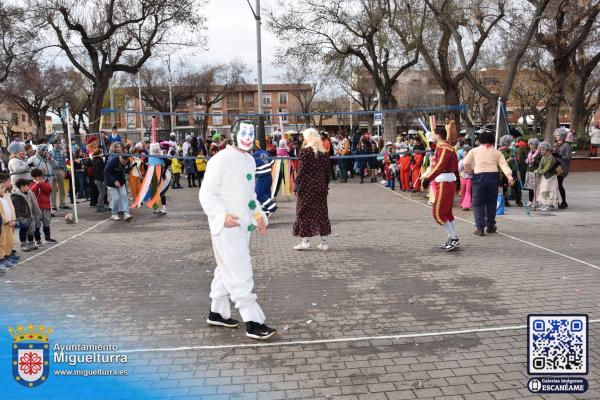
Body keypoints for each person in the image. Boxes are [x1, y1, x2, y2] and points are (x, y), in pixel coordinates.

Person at [199, 119, 276, 340]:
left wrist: (258, 214)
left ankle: (217, 312)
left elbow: (249, 196)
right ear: (234, 133)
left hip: (243, 227)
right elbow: (206, 194)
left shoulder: (249, 160)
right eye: (244, 132)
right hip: (226, 228)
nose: (248, 137)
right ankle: (253, 320)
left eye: (251, 133)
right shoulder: (219, 160)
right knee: (240, 270)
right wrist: (221, 216)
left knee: (227, 267)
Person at [462, 131, 514, 236]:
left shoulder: (474, 151)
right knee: (491, 203)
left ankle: (480, 228)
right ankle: (490, 225)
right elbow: (504, 165)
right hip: (493, 178)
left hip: (478, 177)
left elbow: (466, 163)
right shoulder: (497, 152)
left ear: (480, 140)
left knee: (478, 203)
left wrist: (469, 170)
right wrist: (509, 177)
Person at [292, 128, 331, 251]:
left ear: (308, 138)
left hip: (307, 187)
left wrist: (296, 186)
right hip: (320, 187)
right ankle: (324, 243)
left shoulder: (305, 152)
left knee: (303, 212)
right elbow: (328, 172)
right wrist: (325, 184)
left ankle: (305, 241)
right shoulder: (323, 152)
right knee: (321, 212)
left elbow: (301, 171)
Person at [421, 127, 460, 251]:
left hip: (444, 181)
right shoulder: (444, 147)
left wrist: (428, 178)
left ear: (438, 135)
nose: (432, 136)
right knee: (447, 213)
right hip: (445, 180)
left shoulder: (444, 147)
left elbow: (440, 166)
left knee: (438, 213)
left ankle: (453, 238)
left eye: (434, 134)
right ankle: (453, 237)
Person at [11, 178, 42, 252]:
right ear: (22, 187)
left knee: (31, 230)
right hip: (23, 217)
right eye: (27, 186)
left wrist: (36, 214)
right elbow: (16, 209)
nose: (29, 187)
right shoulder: (16, 196)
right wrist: (20, 218)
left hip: (30, 215)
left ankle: (31, 243)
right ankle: (23, 244)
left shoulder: (30, 193)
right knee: (23, 230)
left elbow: (34, 204)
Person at [30, 168, 57, 245]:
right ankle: (37, 240)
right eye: (38, 177)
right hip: (36, 207)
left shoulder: (46, 182)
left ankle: (47, 238)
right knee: (36, 224)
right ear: (34, 177)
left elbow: (48, 190)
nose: (40, 178)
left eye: (41, 176)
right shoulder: (30, 183)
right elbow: (31, 191)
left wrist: (40, 183)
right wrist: (37, 184)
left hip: (46, 206)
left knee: (46, 222)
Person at [104, 153, 132, 221]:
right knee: (116, 198)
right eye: (123, 162)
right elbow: (106, 172)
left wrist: (127, 174)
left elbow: (127, 169)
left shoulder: (128, 161)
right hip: (111, 183)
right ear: (120, 158)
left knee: (124, 196)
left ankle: (126, 214)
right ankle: (114, 214)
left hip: (121, 182)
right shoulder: (113, 161)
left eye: (126, 162)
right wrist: (114, 181)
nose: (124, 163)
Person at [0, 174, 18, 270]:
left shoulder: (5, 196)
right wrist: (7, 221)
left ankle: (7, 257)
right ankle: (1, 260)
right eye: (1, 187)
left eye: (3, 187)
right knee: (2, 243)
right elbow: (1, 214)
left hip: (9, 223)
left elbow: (10, 209)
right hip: (3, 224)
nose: (3, 189)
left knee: (9, 241)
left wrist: (13, 220)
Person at [536, 141, 559, 211]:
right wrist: (538, 170)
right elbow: (540, 166)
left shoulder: (550, 157)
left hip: (550, 177)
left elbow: (548, 167)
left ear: (547, 149)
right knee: (543, 190)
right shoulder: (543, 157)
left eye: (543, 149)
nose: (541, 151)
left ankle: (548, 204)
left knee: (549, 190)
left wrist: (540, 172)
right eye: (540, 149)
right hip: (544, 177)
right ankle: (544, 204)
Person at [553, 128, 572, 209]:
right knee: (555, 185)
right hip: (555, 166)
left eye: (558, 135)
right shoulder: (555, 144)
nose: (556, 136)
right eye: (556, 135)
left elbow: (569, 157)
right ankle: (555, 201)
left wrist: (559, 156)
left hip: (562, 167)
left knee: (559, 184)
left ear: (562, 136)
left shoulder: (566, 145)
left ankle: (564, 202)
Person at [498, 135, 519, 207]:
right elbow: (500, 162)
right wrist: (508, 160)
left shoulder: (512, 150)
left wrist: (515, 158)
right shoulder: (500, 151)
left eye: (508, 144)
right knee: (505, 186)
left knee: (516, 185)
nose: (507, 146)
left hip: (513, 169)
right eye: (505, 144)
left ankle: (518, 200)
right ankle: (505, 201)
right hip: (504, 171)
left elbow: (516, 159)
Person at [523, 138, 541, 207]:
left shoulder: (539, 153)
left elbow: (540, 163)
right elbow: (526, 160)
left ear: (536, 145)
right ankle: (530, 201)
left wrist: (534, 161)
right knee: (529, 187)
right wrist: (527, 160)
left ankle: (535, 201)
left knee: (535, 187)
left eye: (532, 144)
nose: (530, 145)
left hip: (535, 171)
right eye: (530, 144)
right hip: (529, 171)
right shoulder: (529, 152)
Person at [51, 140, 68, 209]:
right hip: (53, 170)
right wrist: (53, 173)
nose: (58, 145)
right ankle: (53, 205)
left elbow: (64, 162)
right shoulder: (51, 152)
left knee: (62, 188)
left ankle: (62, 203)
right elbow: (50, 163)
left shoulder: (62, 152)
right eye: (56, 143)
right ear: (53, 144)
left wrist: (64, 171)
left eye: (59, 143)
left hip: (60, 170)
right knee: (53, 189)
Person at [458, 145, 472, 211]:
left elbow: (474, 169)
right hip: (463, 178)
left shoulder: (472, 161)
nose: (464, 155)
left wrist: (471, 171)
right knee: (463, 191)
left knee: (467, 192)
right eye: (463, 154)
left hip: (469, 178)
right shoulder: (461, 161)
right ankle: (462, 203)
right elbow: (459, 169)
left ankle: (466, 205)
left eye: (466, 154)